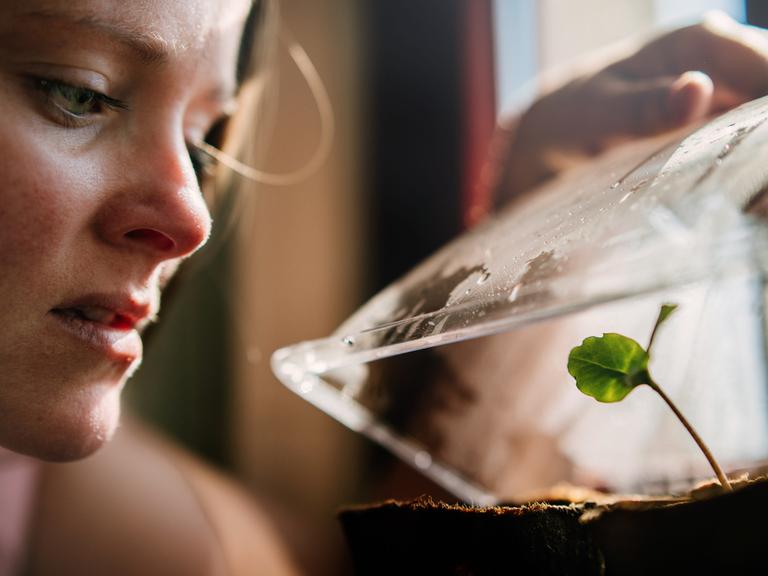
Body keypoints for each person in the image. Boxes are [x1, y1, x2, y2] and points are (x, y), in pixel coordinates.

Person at [1, 1, 767, 574]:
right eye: (80, 93)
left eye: (205, 141)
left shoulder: (45, 481)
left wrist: (534, 240)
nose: (192, 219)